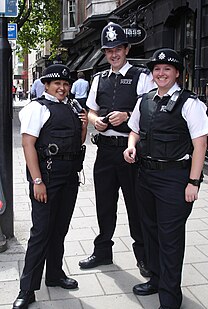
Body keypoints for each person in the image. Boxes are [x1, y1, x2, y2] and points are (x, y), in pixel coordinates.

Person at [123, 48, 208, 309]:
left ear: (177, 74)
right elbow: (135, 131)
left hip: (175, 179)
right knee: (149, 232)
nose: (161, 73)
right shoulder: (145, 100)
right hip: (146, 176)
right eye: (157, 69)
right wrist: (130, 146)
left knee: (170, 238)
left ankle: (170, 299)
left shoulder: (190, 103)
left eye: (167, 69)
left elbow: (200, 145)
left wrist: (193, 182)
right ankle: (156, 278)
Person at [78, 22, 155, 277]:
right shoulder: (98, 78)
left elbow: (150, 111)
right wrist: (94, 121)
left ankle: (143, 256)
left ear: (126, 48)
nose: (114, 54)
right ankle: (103, 251)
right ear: (104, 52)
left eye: (118, 49)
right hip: (105, 152)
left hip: (131, 152)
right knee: (104, 204)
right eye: (109, 50)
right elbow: (89, 110)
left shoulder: (141, 76)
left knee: (136, 205)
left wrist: (128, 114)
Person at [12, 64, 88, 309]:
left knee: (59, 230)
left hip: (69, 177)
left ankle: (54, 274)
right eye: (57, 84)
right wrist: (37, 181)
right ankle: (27, 289)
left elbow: (78, 141)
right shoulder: (37, 108)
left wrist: (84, 124)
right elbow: (28, 146)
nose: (62, 88)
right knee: (41, 232)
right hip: (47, 177)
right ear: (46, 85)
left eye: (66, 84)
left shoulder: (71, 107)